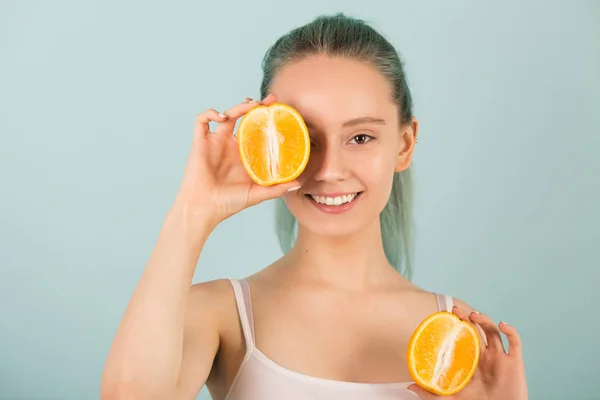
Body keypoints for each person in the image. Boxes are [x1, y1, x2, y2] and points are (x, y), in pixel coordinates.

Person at [101, 13, 528, 400]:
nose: (329, 170)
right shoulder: (221, 315)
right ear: (264, 144)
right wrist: (194, 209)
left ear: (404, 143)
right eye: (305, 138)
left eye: (360, 138)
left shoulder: (461, 340)